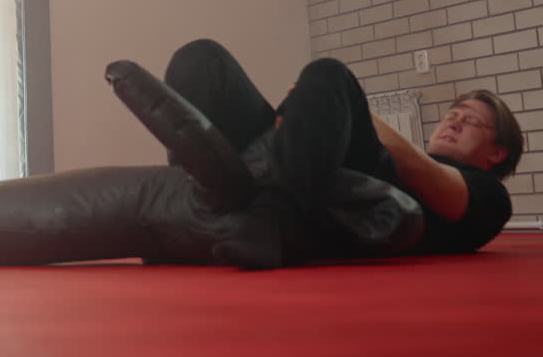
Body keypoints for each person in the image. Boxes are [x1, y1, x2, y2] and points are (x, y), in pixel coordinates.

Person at [163, 39, 523, 267]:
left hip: (371, 188)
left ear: (496, 153)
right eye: (452, 114)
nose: (454, 123)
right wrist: (302, 108)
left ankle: (273, 214)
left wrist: (347, 106)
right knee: (202, 58)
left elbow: (429, 178)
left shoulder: (492, 197)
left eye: (471, 121)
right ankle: (195, 193)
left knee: (329, 73)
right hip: (298, 167)